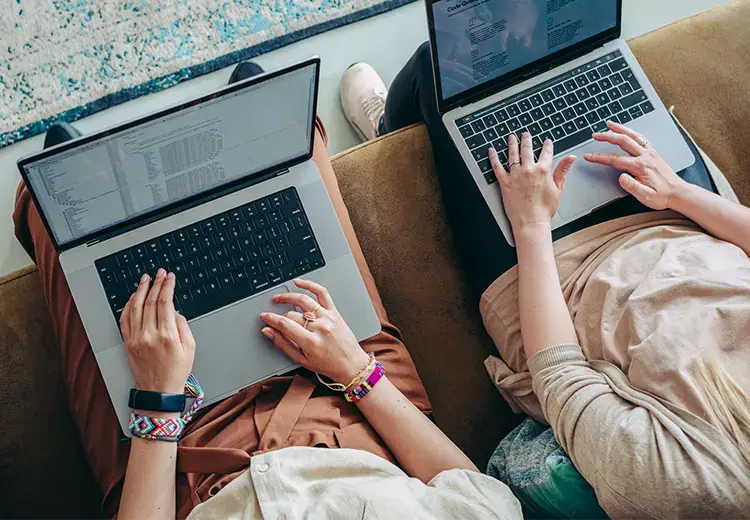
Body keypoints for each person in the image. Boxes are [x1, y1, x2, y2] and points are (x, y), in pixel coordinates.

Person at [13, 62, 523, 519]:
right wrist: (357, 371)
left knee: (51, 211)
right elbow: (477, 497)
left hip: (184, 457)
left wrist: (157, 402)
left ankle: (82, 176)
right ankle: (248, 118)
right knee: (294, 146)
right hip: (350, 408)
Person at [340, 47, 750, 518]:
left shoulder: (684, 487)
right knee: (588, 60)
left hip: (563, 278)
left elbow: (559, 373)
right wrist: (680, 192)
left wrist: (531, 223)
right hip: (685, 220)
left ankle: (387, 133)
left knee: (441, 67)